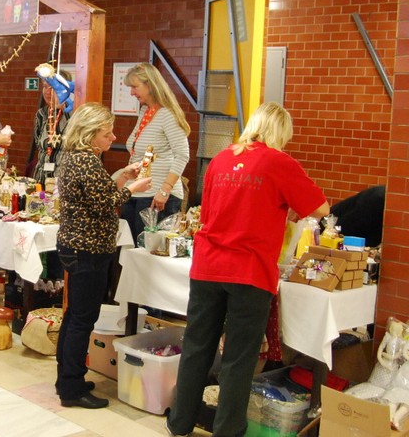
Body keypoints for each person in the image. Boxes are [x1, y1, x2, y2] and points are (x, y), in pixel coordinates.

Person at [167, 102, 329, 437]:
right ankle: (228, 431)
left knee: (197, 346)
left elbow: (207, 211)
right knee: (238, 358)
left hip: (208, 265)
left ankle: (179, 422)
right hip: (249, 270)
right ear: (280, 132)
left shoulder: (221, 158)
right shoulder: (278, 162)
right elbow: (321, 207)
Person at [55, 103, 152, 409]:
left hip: (77, 245)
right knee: (82, 320)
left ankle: (66, 378)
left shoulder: (73, 156)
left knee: (74, 316)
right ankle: (71, 388)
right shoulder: (86, 161)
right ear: (90, 133)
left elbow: (98, 194)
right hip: (88, 249)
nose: (113, 137)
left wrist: (122, 177)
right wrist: (132, 188)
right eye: (107, 132)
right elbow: (104, 203)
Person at [119, 63, 190, 244]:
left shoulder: (167, 114)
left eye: (135, 87)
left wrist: (165, 190)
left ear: (150, 85)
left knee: (148, 250)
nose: (132, 93)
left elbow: (182, 154)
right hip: (136, 192)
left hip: (156, 195)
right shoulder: (145, 111)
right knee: (130, 249)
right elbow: (145, 151)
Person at [30, 70, 71, 182]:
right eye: (45, 87)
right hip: (40, 180)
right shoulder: (41, 115)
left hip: (61, 181)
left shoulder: (74, 115)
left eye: (52, 88)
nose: (47, 92)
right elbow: (39, 147)